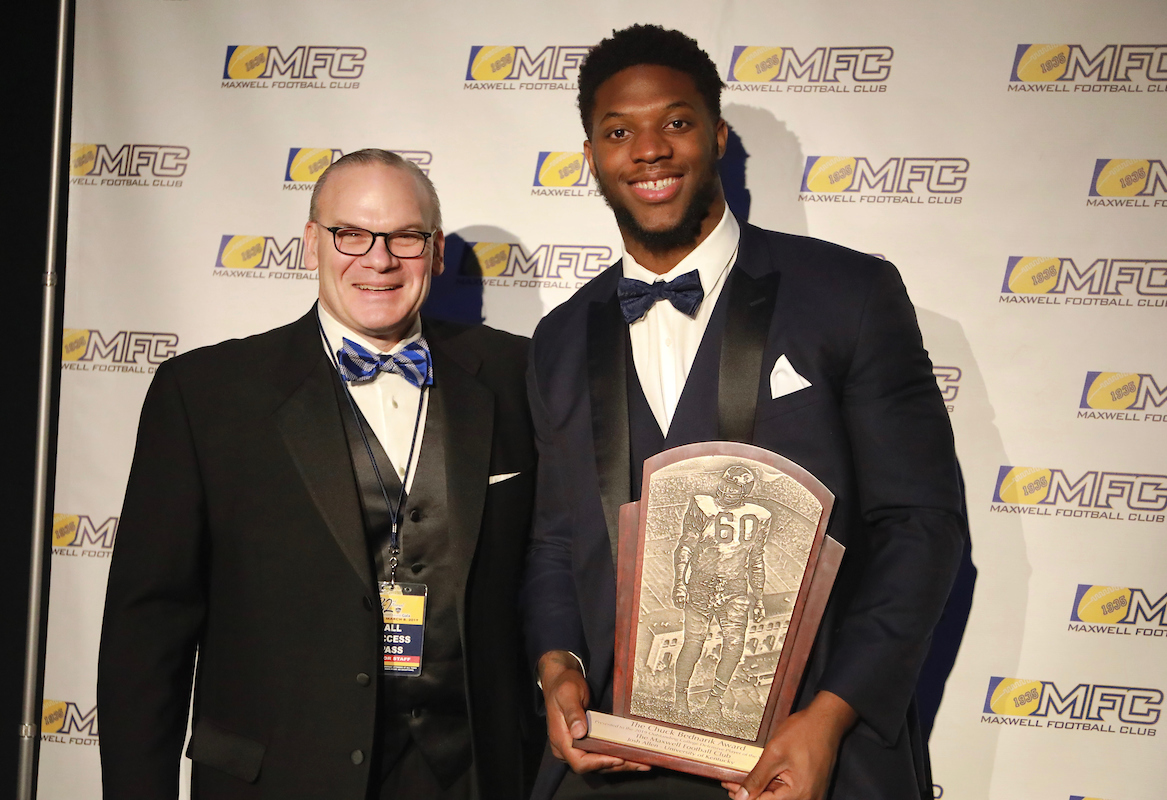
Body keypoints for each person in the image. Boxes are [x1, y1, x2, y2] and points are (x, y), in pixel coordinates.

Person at [521, 25, 965, 800]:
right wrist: (558, 664)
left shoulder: (848, 296)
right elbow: (557, 540)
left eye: (677, 122)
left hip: (808, 762)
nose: (649, 149)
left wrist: (830, 716)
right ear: (590, 156)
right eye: (619, 131)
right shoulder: (560, 337)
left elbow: (920, 525)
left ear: (718, 135)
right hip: (617, 765)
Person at [98, 149, 540, 800]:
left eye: (405, 237)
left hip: (473, 776)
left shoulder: (517, 376)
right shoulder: (206, 395)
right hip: (277, 777)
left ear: (436, 251)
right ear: (312, 244)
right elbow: (147, 633)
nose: (379, 258)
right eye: (351, 234)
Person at [672, 465, 770, 724]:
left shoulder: (759, 516)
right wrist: (680, 582)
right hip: (701, 585)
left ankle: (714, 701)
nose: (727, 490)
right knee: (693, 643)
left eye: (736, 488)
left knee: (734, 647)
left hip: (735, 588)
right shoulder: (702, 506)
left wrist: (758, 597)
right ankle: (680, 696)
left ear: (745, 491)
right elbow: (686, 547)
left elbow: (756, 559)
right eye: (726, 484)